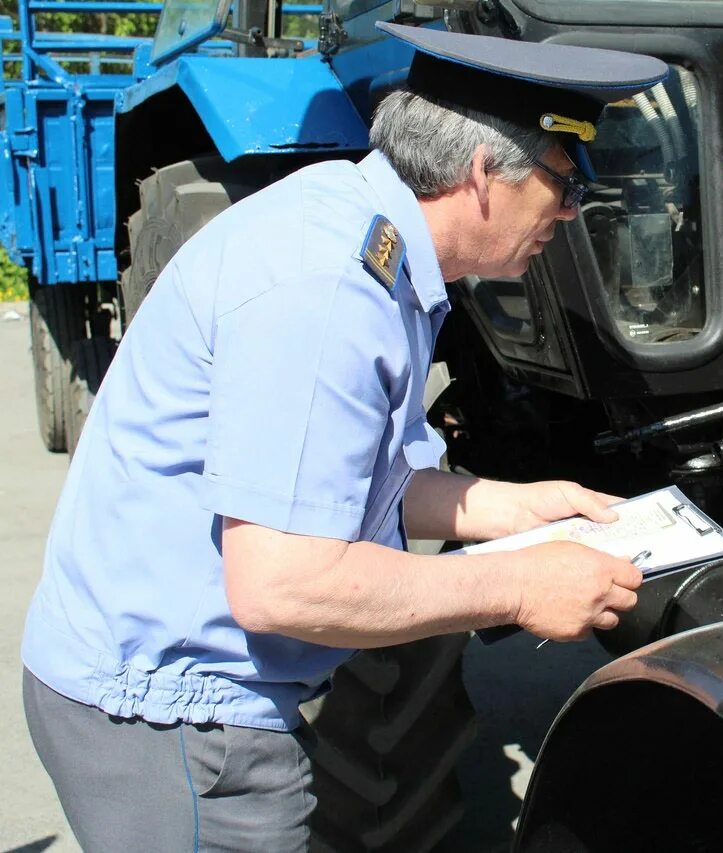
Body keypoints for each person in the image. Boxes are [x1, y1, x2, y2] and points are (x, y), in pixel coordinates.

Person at [21, 23, 668, 851]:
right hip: (177, 721)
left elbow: (354, 481)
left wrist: (514, 508)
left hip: (175, 704)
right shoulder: (328, 289)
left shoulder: (363, 228)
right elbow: (285, 583)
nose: (570, 212)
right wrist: (520, 585)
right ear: (481, 174)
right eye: (563, 182)